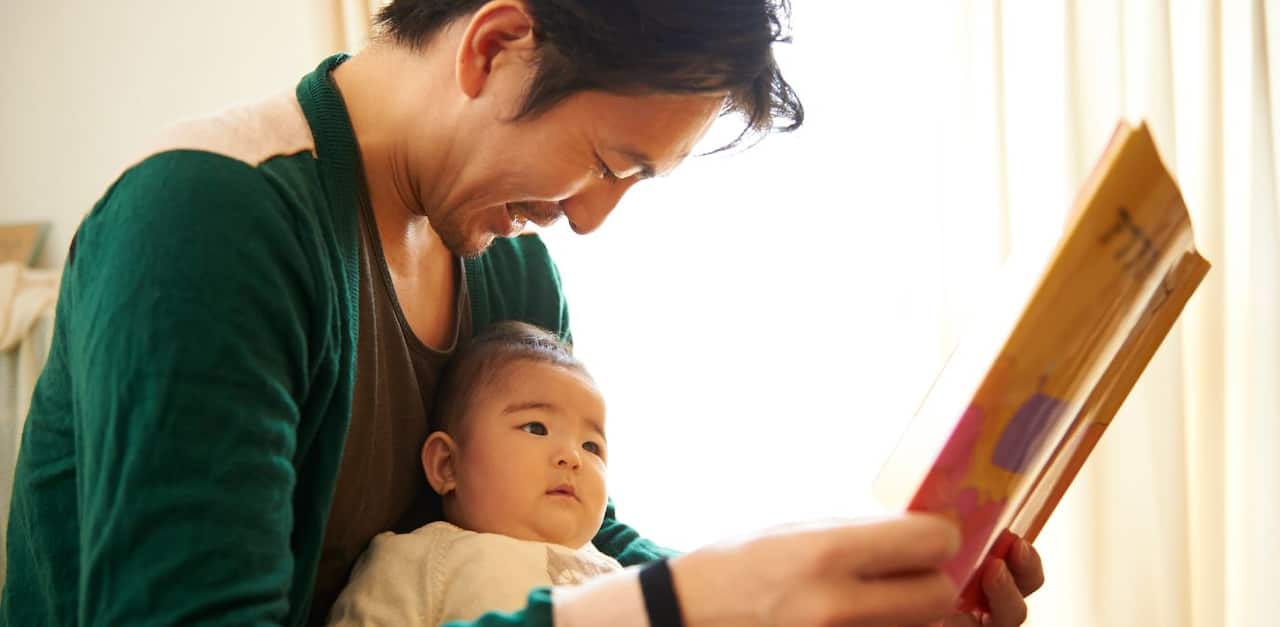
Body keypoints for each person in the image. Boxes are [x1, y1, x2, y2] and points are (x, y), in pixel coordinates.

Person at [1, 1, 1045, 626]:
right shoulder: (210, 221)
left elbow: (563, 542)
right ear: (493, 44)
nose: (588, 221)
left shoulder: (504, 269)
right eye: (604, 164)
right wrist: (699, 605)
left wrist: (829, 588)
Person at [327, 321, 623, 626]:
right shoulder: (415, 560)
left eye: (591, 446)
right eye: (536, 428)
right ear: (447, 465)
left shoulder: (615, 573)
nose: (573, 457)